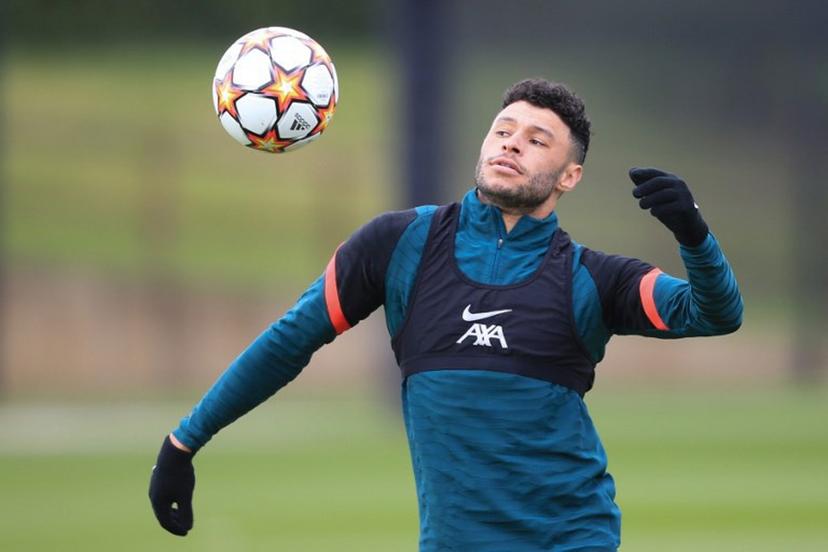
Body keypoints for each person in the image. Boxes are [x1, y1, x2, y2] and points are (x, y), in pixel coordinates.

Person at [149, 78, 743, 551]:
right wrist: (183, 443)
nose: (511, 142)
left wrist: (693, 233)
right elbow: (288, 342)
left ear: (570, 176)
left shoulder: (590, 276)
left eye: (537, 139)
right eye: (503, 130)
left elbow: (715, 313)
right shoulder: (399, 243)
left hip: (572, 540)